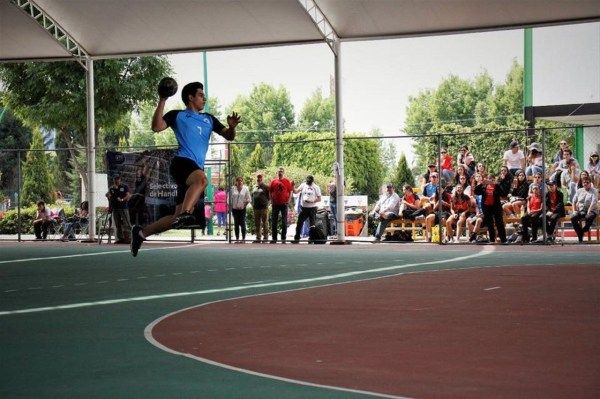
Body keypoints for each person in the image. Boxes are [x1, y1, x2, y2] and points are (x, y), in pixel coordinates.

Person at [130, 81, 240, 256]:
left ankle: (141, 233)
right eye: (201, 95)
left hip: (194, 167)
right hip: (181, 162)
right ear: (191, 98)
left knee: (176, 218)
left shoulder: (209, 119)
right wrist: (162, 99)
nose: (204, 98)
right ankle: (187, 213)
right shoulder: (177, 115)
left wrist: (232, 127)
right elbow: (156, 127)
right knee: (202, 180)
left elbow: (229, 136)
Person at [474, 173, 507, 244]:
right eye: (489, 179)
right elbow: (476, 191)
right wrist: (481, 184)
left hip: (496, 206)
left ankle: (503, 240)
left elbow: (503, 194)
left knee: (499, 222)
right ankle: (492, 239)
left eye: (492, 179)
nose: (490, 181)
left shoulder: (497, 186)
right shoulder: (484, 186)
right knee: (490, 223)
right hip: (486, 207)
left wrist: (496, 184)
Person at [291, 175, 322, 243]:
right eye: (307, 182)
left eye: (309, 182)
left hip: (312, 208)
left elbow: (319, 199)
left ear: (312, 181)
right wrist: (292, 186)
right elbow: (295, 191)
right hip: (304, 208)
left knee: (312, 224)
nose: (308, 183)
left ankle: (311, 239)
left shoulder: (316, 187)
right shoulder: (303, 185)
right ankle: (297, 239)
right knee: (299, 223)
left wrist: (312, 201)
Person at [269, 167, 294, 243]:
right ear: (277, 173)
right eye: (279, 171)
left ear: (283, 173)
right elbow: (270, 192)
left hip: (284, 204)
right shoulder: (273, 181)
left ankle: (283, 238)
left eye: (281, 171)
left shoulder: (287, 181)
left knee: (284, 222)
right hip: (275, 204)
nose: (280, 173)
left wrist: (288, 201)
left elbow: (290, 192)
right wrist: (271, 201)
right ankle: (274, 239)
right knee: (274, 222)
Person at [570, 177, 598, 243]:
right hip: (581, 210)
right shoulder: (579, 190)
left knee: (589, 217)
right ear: (582, 184)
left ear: (590, 183)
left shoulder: (594, 190)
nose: (585, 184)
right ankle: (580, 233)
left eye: (587, 182)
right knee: (573, 218)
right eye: (584, 182)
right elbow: (574, 201)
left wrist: (589, 211)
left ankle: (585, 229)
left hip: (592, 210)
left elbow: (593, 202)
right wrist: (574, 211)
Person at [106, 175, 131, 244]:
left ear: (120, 180)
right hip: (115, 208)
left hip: (123, 207)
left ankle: (129, 238)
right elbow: (110, 198)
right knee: (117, 224)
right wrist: (108, 196)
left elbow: (128, 195)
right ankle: (120, 238)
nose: (116, 181)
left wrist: (122, 199)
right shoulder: (111, 188)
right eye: (115, 180)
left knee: (127, 223)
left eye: (117, 180)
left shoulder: (124, 187)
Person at [230, 176, 251, 243]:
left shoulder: (246, 189)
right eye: (238, 180)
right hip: (235, 209)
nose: (239, 182)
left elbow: (249, 199)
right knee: (236, 223)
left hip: (242, 209)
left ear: (242, 181)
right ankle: (237, 238)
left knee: (242, 223)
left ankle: (243, 238)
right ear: (236, 181)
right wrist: (231, 207)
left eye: (241, 180)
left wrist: (244, 205)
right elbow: (229, 199)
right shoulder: (233, 189)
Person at [251, 174, 270, 243]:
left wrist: (267, 204)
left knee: (265, 223)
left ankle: (265, 238)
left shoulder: (266, 187)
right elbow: (252, 196)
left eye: (260, 178)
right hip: (256, 208)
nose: (259, 179)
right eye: (258, 178)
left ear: (262, 179)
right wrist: (252, 204)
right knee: (257, 223)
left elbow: (269, 197)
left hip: (264, 208)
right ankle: (258, 238)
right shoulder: (254, 187)